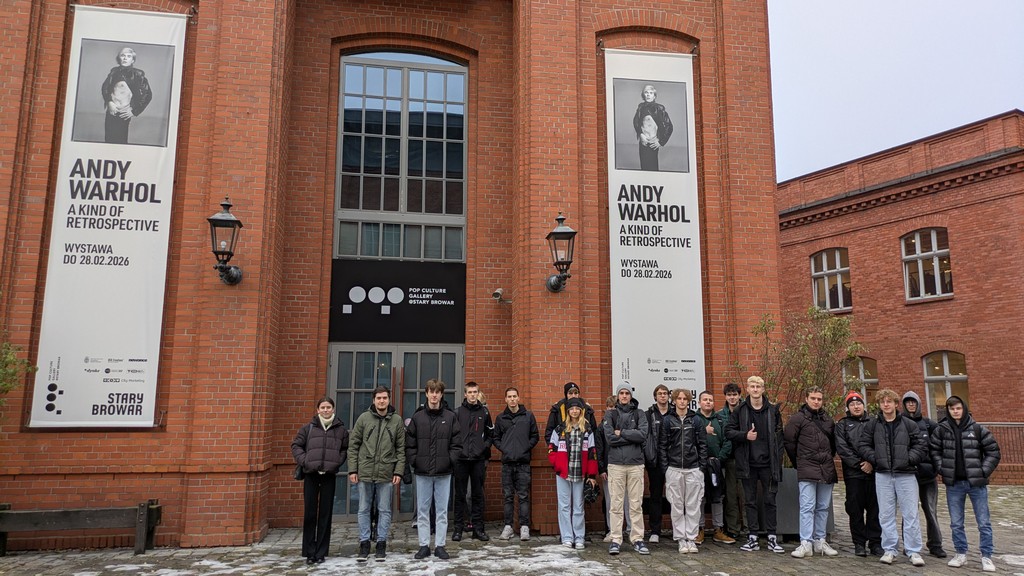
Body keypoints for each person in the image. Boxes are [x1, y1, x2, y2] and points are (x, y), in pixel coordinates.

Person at [931, 395, 1001, 572]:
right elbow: (934, 451)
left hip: (976, 484)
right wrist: (942, 468)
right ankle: (960, 553)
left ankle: (986, 556)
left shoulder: (977, 429)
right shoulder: (941, 430)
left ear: (964, 409)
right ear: (948, 410)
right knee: (956, 523)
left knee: (983, 522)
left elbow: (993, 452)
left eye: (958, 408)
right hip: (954, 484)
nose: (955, 411)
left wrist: (982, 471)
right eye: (952, 408)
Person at [858, 388, 927, 567]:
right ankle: (889, 549)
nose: (886, 404)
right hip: (883, 475)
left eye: (889, 401)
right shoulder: (873, 425)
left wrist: (908, 459)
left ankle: (913, 551)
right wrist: (876, 459)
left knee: (911, 514)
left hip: (906, 475)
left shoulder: (909, 424)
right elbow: (863, 445)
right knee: (885, 515)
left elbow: (920, 445)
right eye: (883, 402)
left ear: (896, 404)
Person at [725, 375, 784, 553]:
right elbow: (728, 431)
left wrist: (778, 460)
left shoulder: (773, 410)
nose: (756, 389)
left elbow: (780, 438)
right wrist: (745, 435)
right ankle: (753, 538)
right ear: (748, 389)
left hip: (768, 465)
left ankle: (772, 537)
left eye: (758, 386)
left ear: (763, 389)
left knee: (770, 501)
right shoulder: (740, 410)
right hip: (748, 464)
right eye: (752, 386)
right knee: (749, 502)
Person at [406, 379, 462, 560]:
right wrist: (415, 461)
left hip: (444, 472)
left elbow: (457, 443)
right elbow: (410, 443)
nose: (434, 395)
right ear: (426, 394)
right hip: (422, 472)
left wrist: (449, 461)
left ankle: (440, 545)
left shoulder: (450, 417)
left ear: (441, 394)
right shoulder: (418, 417)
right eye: (431, 391)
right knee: (422, 510)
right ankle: (423, 545)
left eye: (437, 392)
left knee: (442, 511)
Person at [347, 386, 405, 562]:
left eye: (384, 398)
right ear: (373, 400)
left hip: (386, 472)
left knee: (384, 509)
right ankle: (364, 543)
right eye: (379, 398)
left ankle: (381, 543)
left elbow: (401, 449)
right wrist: (353, 469)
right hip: (365, 471)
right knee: (363, 509)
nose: (381, 401)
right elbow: (353, 445)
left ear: (389, 399)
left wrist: (398, 471)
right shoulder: (364, 418)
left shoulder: (396, 420)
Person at [291, 397, 349, 565]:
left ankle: (321, 552)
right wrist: (305, 461)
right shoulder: (308, 428)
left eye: (328, 407)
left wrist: (337, 462)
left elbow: (344, 449)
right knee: (310, 513)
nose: (325, 410)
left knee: (325, 514)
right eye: (322, 407)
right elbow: (296, 446)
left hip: (329, 475)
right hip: (311, 474)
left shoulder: (341, 430)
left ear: (333, 409)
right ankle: (309, 552)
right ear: (317, 410)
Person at [784, 387, 839, 558]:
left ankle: (820, 540)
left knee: (823, 507)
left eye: (819, 399)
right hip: (807, 467)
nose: (816, 401)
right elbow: (789, 442)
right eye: (813, 398)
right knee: (807, 507)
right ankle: (806, 542)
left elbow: (833, 445)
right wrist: (799, 462)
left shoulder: (827, 420)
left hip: (826, 468)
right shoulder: (797, 419)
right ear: (806, 399)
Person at [602, 384, 650, 556]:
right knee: (616, 504)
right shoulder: (610, 414)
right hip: (616, 464)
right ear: (617, 396)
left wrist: (621, 432)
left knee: (636, 504)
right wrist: (631, 435)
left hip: (636, 464)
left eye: (627, 393)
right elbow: (610, 438)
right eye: (621, 393)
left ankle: (637, 538)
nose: (624, 396)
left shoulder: (639, 414)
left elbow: (642, 435)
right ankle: (616, 539)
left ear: (630, 396)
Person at [834, 390, 883, 557]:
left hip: (874, 473)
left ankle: (875, 542)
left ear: (863, 405)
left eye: (859, 403)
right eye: (852, 404)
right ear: (848, 408)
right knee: (855, 510)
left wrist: (871, 462)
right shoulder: (842, 425)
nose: (856, 406)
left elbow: (880, 444)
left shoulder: (875, 422)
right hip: (853, 474)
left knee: (875, 509)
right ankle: (859, 543)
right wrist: (859, 464)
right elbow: (842, 448)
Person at [660, 388, 708, 554]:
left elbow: (703, 445)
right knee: (677, 505)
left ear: (688, 401)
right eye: (679, 398)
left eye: (684, 399)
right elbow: (663, 445)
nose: (681, 401)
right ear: (674, 401)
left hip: (693, 468)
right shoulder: (667, 420)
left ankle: (692, 538)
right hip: (674, 468)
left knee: (693, 505)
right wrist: (666, 468)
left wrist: (701, 467)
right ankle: (681, 538)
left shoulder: (696, 421)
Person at [547, 397, 599, 549]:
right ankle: (567, 537)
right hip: (563, 473)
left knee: (578, 506)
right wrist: (557, 464)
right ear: (568, 411)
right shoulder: (560, 429)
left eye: (577, 409)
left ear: (581, 411)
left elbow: (592, 453)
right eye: (572, 409)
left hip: (580, 473)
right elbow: (551, 449)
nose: (574, 411)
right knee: (564, 506)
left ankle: (579, 537)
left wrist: (591, 475)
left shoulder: (587, 429)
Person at [902, 391, 946, 558]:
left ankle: (935, 544)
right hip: (908, 475)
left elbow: (938, 446)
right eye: (908, 402)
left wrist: (936, 466)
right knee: (909, 513)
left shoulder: (929, 424)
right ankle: (909, 544)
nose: (911, 404)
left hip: (928, 476)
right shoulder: (900, 423)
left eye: (913, 402)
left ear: (918, 404)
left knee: (931, 511)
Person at [493, 387, 539, 542]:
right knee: (508, 496)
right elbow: (495, 438)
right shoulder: (501, 418)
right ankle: (508, 527)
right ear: (505, 399)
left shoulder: (528, 416)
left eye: (514, 396)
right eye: (509, 397)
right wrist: (504, 448)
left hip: (523, 463)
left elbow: (535, 436)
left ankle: (524, 527)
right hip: (507, 463)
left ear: (518, 398)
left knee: (523, 496)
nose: (512, 399)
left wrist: (525, 447)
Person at [452, 381, 493, 542]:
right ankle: (458, 530)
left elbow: (490, 434)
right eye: (469, 392)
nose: (472, 395)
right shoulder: (457, 412)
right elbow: (452, 435)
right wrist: (457, 452)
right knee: (460, 496)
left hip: (478, 460)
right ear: (465, 394)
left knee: (477, 496)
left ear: (478, 393)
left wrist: (484, 447)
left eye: (475, 392)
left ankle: (478, 529)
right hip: (461, 460)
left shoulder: (484, 412)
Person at [695, 390, 735, 544]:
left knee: (718, 497)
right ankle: (699, 529)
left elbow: (728, 440)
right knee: (700, 497)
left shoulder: (720, 420)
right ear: (699, 402)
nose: (708, 402)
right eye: (705, 400)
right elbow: (689, 439)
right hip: (699, 465)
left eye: (710, 400)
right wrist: (704, 432)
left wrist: (719, 458)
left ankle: (718, 529)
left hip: (717, 466)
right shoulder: (694, 420)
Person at [101, 47, 153, 144]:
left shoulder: (138, 74)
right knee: (109, 141)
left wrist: (134, 111)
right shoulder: (113, 72)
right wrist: (109, 102)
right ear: (119, 58)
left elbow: (147, 94)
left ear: (132, 60)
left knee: (120, 142)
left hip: (123, 113)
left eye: (129, 56)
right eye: (123, 55)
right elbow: (105, 88)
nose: (125, 58)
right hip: (111, 111)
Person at [718, 382, 746, 538]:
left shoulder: (747, 411)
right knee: (730, 496)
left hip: (746, 459)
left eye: (735, 394)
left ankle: (749, 529)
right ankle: (733, 529)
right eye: (729, 395)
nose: (732, 398)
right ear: (725, 396)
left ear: (739, 395)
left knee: (746, 496)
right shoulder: (720, 415)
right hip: (728, 460)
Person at [644, 384, 671, 543]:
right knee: (655, 496)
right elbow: (645, 437)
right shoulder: (648, 415)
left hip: (673, 460)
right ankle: (655, 530)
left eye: (665, 393)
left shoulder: (674, 413)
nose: (662, 396)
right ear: (655, 396)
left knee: (677, 496)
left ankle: (679, 529)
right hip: (655, 461)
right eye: (660, 393)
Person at [632, 84, 674, 171]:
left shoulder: (659, 108)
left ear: (654, 96)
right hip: (643, 142)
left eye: (651, 93)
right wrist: (641, 135)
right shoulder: (640, 107)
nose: (648, 94)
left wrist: (661, 142)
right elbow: (636, 122)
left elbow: (669, 126)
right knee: (644, 167)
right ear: (643, 95)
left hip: (653, 142)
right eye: (646, 92)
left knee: (652, 167)